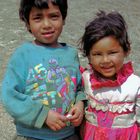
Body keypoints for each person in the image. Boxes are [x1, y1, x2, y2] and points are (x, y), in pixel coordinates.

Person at [1, 0, 85, 139]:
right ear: (28, 23)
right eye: (38, 18)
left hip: (68, 135)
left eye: (54, 16)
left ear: (63, 18)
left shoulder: (71, 54)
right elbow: (9, 95)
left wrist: (80, 104)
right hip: (31, 136)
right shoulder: (23, 55)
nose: (47, 25)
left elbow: (79, 87)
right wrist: (43, 115)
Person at [80, 11, 140, 140]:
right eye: (97, 54)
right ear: (88, 55)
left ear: (126, 50)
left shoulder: (135, 85)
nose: (105, 60)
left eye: (112, 52)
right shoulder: (85, 79)